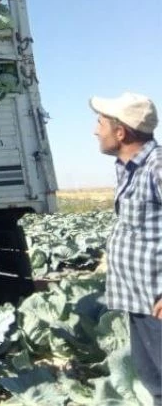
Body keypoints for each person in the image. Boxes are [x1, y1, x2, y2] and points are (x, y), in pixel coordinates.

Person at [90, 92, 161, 405]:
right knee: (153, 381)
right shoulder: (129, 169)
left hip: (157, 303)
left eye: (101, 123)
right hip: (139, 299)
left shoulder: (157, 167)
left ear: (121, 132)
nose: (96, 130)